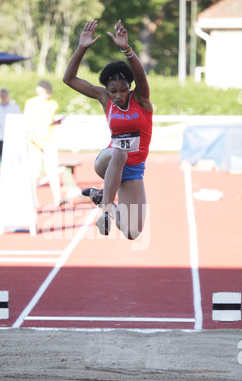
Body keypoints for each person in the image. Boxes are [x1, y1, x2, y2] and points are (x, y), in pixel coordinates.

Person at [63, 20, 153, 239]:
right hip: (109, 160)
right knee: (120, 153)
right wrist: (82, 47)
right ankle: (105, 208)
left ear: (129, 88)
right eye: (114, 91)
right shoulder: (105, 99)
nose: (119, 96)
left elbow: (140, 76)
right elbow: (69, 79)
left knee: (132, 232)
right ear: (107, 91)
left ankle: (101, 197)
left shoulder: (140, 100)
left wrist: (127, 50)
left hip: (133, 170)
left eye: (123, 90)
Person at [24, 80, 63, 208]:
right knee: (34, 172)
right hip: (35, 141)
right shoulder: (31, 103)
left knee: (52, 170)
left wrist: (56, 122)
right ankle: (33, 198)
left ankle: (57, 198)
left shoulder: (52, 104)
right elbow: (26, 122)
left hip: (48, 139)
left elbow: (49, 121)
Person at [0, 88, 21, 160]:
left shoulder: (14, 107)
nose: (4, 97)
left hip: (12, 136)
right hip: (1, 136)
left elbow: (19, 119)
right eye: (2, 95)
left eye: (5, 95)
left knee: (13, 157)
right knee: (2, 156)